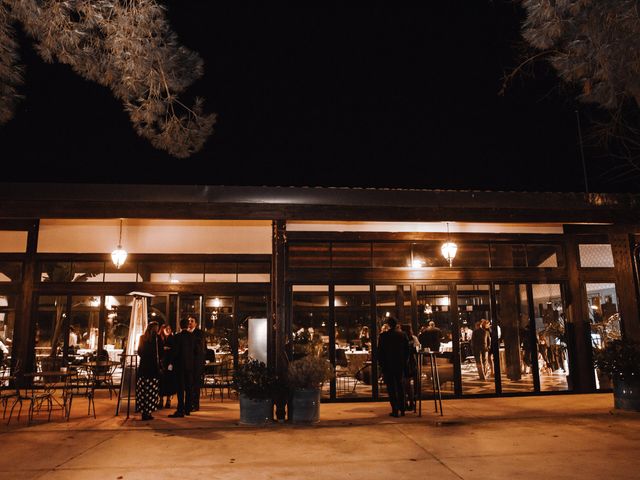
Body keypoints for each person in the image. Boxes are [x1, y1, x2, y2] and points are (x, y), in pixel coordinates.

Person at [377, 316, 410, 417]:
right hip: (399, 364)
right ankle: (403, 409)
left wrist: (382, 364)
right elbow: (407, 351)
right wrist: (405, 362)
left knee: (391, 388)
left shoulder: (383, 336)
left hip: (388, 365)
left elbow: (380, 353)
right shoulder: (402, 335)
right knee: (400, 387)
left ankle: (395, 410)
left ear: (389, 325)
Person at [168, 318, 197, 418]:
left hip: (180, 365)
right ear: (187, 326)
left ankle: (180, 410)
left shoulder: (177, 337)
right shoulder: (192, 336)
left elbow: (175, 351)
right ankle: (188, 409)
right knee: (189, 387)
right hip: (190, 365)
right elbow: (195, 351)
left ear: (180, 326)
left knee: (180, 388)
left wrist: (171, 362)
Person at [136, 321, 161, 421]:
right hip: (153, 368)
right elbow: (161, 352)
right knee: (152, 391)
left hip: (143, 367)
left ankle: (144, 412)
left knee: (143, 391)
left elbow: (139, 351)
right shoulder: (157, 339)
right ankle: (149, 412)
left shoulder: (143, 338)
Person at [188, 316, 206, 412]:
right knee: (189, 385)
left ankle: (195, 404)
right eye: (189, 321)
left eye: (192, 321)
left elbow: (200, 348)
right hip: (188, 363)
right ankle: (189, 404)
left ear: (196, 324)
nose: (190, 323)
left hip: (196, 363)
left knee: (195, 385)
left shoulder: (199, 333)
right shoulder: (186, 333)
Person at [400, 324, 419, 411]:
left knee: (403, 383)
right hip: (411, 361)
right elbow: (417, 348)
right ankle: (411, 402)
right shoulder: (413, 338)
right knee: (407, 383)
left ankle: (406, 402)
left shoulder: (401, 338)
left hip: (404, 362)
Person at [158, 323, 176, 409]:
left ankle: (168, 400)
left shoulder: (172, 338)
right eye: (166, 329)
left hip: (169, 362)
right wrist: (164, 348)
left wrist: (171, 363)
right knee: (161, 382)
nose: (168, 330)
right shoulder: (159, 338)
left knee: (169, 381)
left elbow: (174, 351)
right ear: (162, 329)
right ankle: (160, 400)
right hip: (161, 363)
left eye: (169, 328)